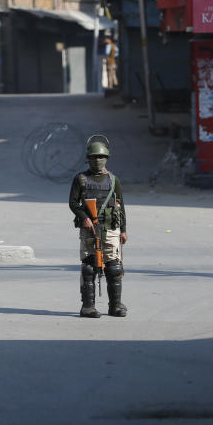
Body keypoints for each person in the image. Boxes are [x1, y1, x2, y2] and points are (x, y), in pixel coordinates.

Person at [68, 135, 128, 318]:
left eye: (100, 157)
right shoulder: (81, 179)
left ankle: (115, 306)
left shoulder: (113, 180)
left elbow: (120, 205)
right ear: (88, 158)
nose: (97, 160)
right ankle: (88, 307)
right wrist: (84, 217)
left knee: (114, 267)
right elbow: (73, 203)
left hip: (110, 228)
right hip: (89, 230)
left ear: (107, 158)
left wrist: (124, 230)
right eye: (93, 157)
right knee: (89, 267)